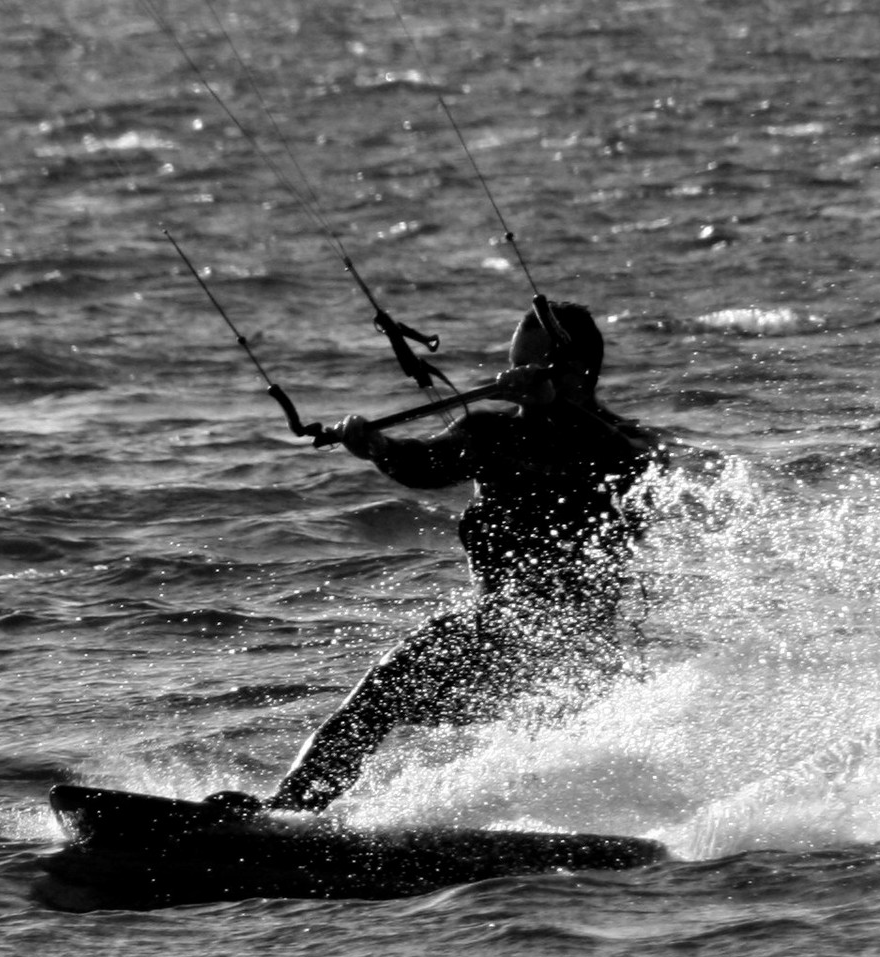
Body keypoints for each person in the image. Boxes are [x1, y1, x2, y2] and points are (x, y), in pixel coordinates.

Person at [262, 300, 667, 811]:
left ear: (576, 371)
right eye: (513, 365)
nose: (513, 380)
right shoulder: (491, 432)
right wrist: (380, 447)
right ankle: (290, 812)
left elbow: (635, 473)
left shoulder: (626, 444)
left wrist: (557, 407)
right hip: (497, 629)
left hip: (577, 644)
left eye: (532, 368)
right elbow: (426, 464)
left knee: (409, 689)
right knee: (383, 691)